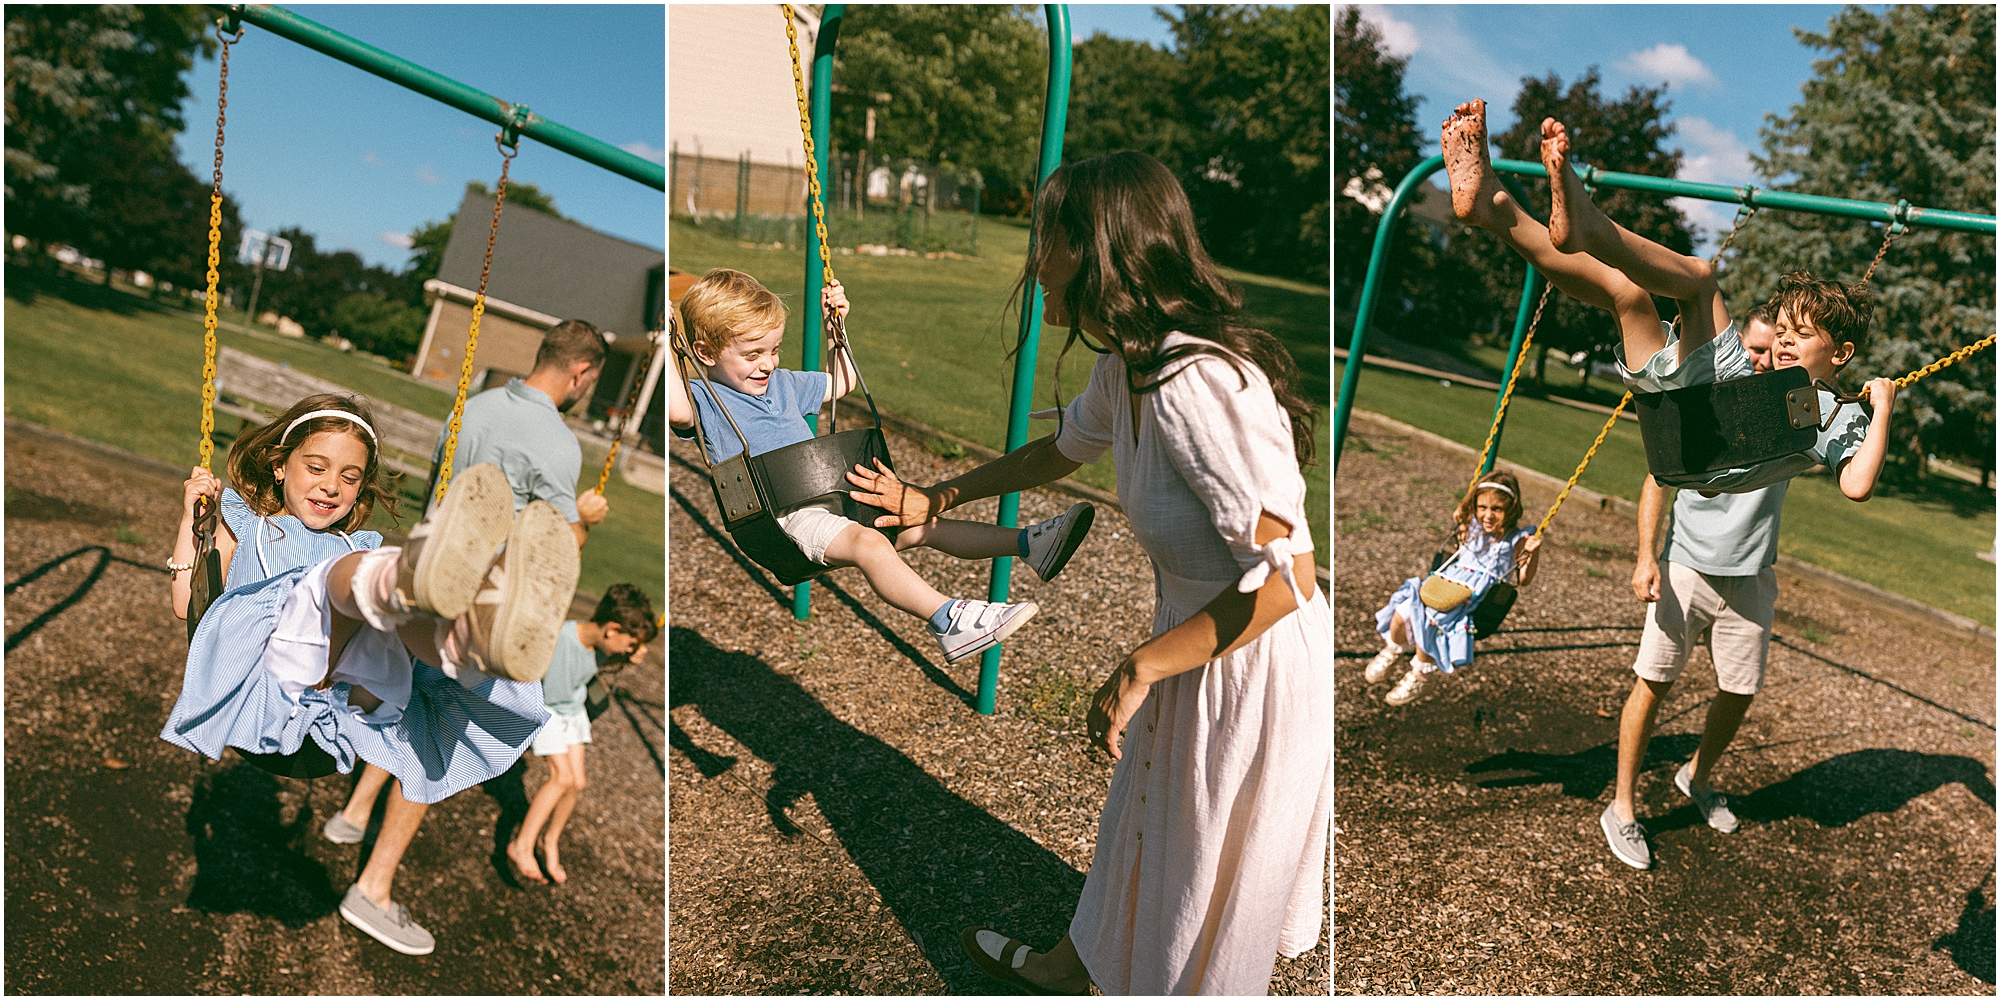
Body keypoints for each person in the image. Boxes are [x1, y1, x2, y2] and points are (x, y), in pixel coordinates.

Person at [845, 151, 1329, 995]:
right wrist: (937, 494)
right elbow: (1056, 451)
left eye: (1050, 240)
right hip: (1195, 642)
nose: (1036, 262)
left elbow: (1290, 580)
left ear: (1102, 249)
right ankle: (1070, 969)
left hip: (1252, 661)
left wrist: (1144, 665)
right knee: (1140, 822)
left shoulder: (1199, 385)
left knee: (1199, 873)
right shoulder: (1130, 367)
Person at [163, 394, 579, 955]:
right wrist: (192, 522)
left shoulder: (354, 541)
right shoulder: (247, 524)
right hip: (275, 676)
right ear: (280, 464)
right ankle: (436, 587)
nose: (331, 485)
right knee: (341, 580)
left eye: (349, 476)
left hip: (345, 694)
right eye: (317, 467)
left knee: (397, 610)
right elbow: (187, 600)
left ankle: (478, 637)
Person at [1441, 98, 1897, 498]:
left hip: (1709, 418)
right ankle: (1495, 208)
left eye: (1801, 333)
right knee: (1626, 294)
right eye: (1781, 330)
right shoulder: (1772, 385)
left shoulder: (1835, 411)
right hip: (1683, 432)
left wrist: (1882, 409)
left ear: (1842, 353)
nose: (1783, 341)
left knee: (1699, 279)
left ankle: (1590, 225)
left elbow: (1856, 486)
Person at [327, 319, 617, 909]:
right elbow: (556, 551)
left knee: (406, 699)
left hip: (419, 581)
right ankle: (373, 887)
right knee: (437, 737)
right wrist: (587, 519)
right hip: (481, 614)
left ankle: (354, 813)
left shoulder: (476, 405)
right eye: (589, 380)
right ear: (581, 372)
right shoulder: (559, 444)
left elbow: (443, 490)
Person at [666, 267, 1096, 664]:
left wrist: (836, 329)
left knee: (927, 525)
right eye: (752, 353)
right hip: (783, 519)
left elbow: (842, 382)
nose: (768, 363)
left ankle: (1030, 545)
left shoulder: (784, 383)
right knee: (870, 545)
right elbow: (675, 411)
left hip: (829, 501)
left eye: (774, 349)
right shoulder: (704, 398)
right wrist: (667, 346)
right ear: (704, 352)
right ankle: (947, 620)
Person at [1603, 308, 1784, 869]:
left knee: (1740, 689)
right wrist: (1645, 557)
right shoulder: (1706, 399)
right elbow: (1658, 478)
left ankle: (1696, 777)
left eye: (1770, 352)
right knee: (1654, 682)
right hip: (1687, 565)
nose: (1760, 362)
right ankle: (1623, 808)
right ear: (1737, 350)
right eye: (1752, 350)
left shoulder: (1791, 405)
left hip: (1752, 575)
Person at [505, 583, 658, 885]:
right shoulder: (558, 637)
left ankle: (550, 841)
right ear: (612, 630)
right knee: (560, 777)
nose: (630, 650)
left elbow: (602, 666)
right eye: (630, 644)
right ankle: (520, 845)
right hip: (546, 709)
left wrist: (627, 657)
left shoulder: (606, 647)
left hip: (573, 712)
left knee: (577, 783)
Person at [1366, 470, 1545, 705]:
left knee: (1432, 620)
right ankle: (1393, 650)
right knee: (1402, 610)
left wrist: (1534, 553)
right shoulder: (1471, 525)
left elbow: (1523, 579)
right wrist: (1464, 509)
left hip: (1474, 596)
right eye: (1482, 507)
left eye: (1497, 509)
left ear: (1510, 510)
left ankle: (1420, 675)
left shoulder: (1516, 538)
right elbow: (1466, 509)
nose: (1488, 515)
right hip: (1445, 582)